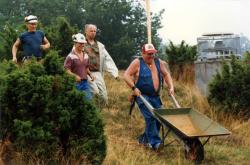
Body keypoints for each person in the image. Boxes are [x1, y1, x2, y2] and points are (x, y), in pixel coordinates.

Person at [123, 43, 174, 150]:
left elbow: (166, 74)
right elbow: (126, 75)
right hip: (142, 96)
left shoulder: (158, 62)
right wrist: (134, 88)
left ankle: (144, 139)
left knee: (159, 118)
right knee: (150, 117)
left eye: (153, 54)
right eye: (149, 54)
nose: (151, 56)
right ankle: (155, 143)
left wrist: (171, 87)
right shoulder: (137, 62)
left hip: (155, 96)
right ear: (143, 53)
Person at [84, 24, 119, 104]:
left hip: (97, 72)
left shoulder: (100, 46)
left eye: (94, 31)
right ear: (86, 32)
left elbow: (108, 59)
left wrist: (115, 73)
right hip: (85, 72)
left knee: (103, 97)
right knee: (95, 92)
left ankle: (98, 112)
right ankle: (90, 110)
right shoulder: (81, 43)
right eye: (91, 31)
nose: (93, 33)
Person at [64, 33, 94, 101]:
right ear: (75, 43)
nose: (82, 45)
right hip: (75, 83)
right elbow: (66, 70)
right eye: (80, 43)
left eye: (83, 43)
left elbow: (86, 68)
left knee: (88, 100)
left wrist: (91, 74)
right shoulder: (70, 56)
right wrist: (75, 76)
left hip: (85, 82)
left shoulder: (86, 55)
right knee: (76, 101)